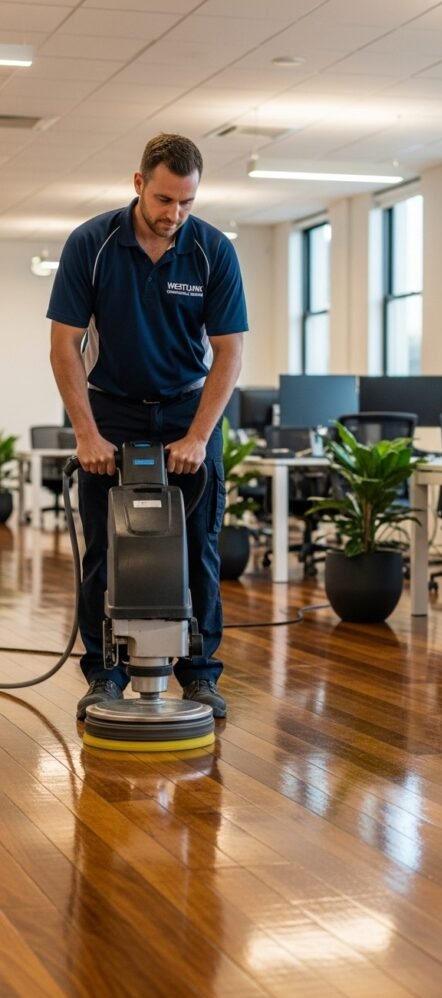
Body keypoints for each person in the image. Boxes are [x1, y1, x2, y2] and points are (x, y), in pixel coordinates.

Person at [47, 132, 248, 722]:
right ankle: (104, 676)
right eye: (164, 200)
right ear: (139, 184)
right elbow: (65, 345)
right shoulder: (93, 242)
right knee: (103, 551)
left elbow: (229, 352)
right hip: (112, 407)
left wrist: (199, 438)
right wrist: (86, 434)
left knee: (199, 549)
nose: (174, 215)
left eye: (186, 202)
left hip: (188, 408)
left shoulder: (212, 250)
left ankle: (201, 675)